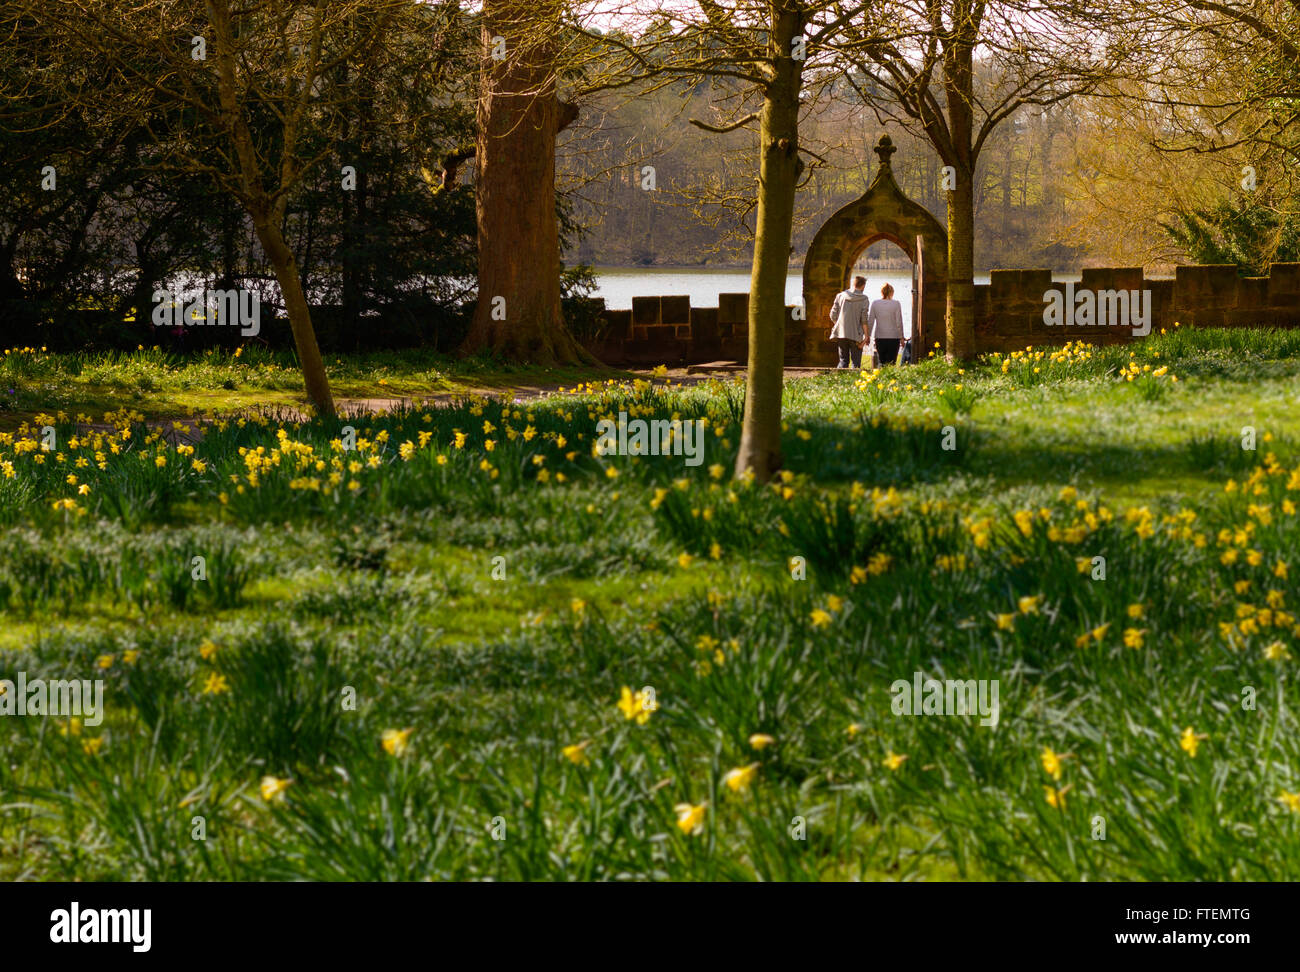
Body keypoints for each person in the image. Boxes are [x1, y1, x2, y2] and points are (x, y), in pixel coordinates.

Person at [828, 275, 869, 369]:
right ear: (863, 286)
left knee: (843, 361)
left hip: (841, 333)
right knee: (856, 363)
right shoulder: (864, 299)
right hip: (856, 335)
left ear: (853, 284)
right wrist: (866, 336)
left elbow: (832, 315)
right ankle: (854, 383)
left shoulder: (840, 296)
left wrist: (839, 325)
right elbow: (864, 319)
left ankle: (839, 381)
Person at [866, 282, 904, 366]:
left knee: (882, 362)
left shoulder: (875, 303)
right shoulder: (896, 304)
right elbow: (899, 322)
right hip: (894, 337)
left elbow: (871, 321)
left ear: (882, 292)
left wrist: (867, 336)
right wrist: (901, 337)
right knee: (891, 362)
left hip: (880, 337)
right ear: (892, 292)